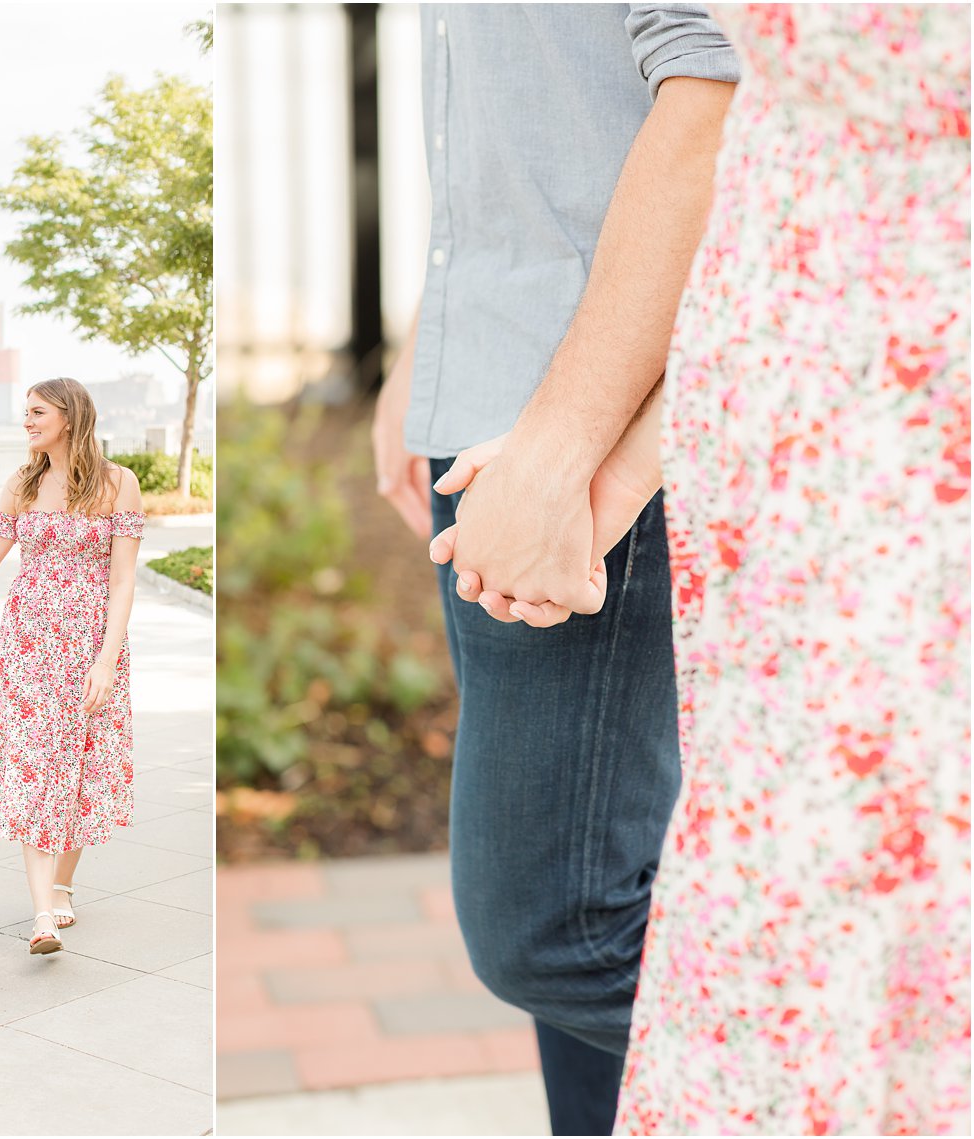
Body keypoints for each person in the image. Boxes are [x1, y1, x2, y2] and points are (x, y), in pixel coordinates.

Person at [443, 5, 971, 1132]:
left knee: (614, 930)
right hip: (756, 459)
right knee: (759, 899)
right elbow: (786, 214)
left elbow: (718, 104)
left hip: (897, 482)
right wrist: (609, 465)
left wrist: (568, 447)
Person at [372, 6, 738, 1133]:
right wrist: (420, 354)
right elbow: (521, 129)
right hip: (495, 399)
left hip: (583, 417)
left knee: (558, 926)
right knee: (610, 880)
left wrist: (563, 447)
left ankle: (875, 1085)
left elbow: (715, 82)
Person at [0, 377, 144, 954]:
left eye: (37, 412)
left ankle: (62, 885)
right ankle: (41, 916)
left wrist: (107, 660)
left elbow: (122, 579)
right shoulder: (22, 484)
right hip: (29, 648)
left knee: (79, 768)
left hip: (91, 646)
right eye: (26, 413)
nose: (27, 422)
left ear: (70, 416)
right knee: (34, 767)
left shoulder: (119, 484)